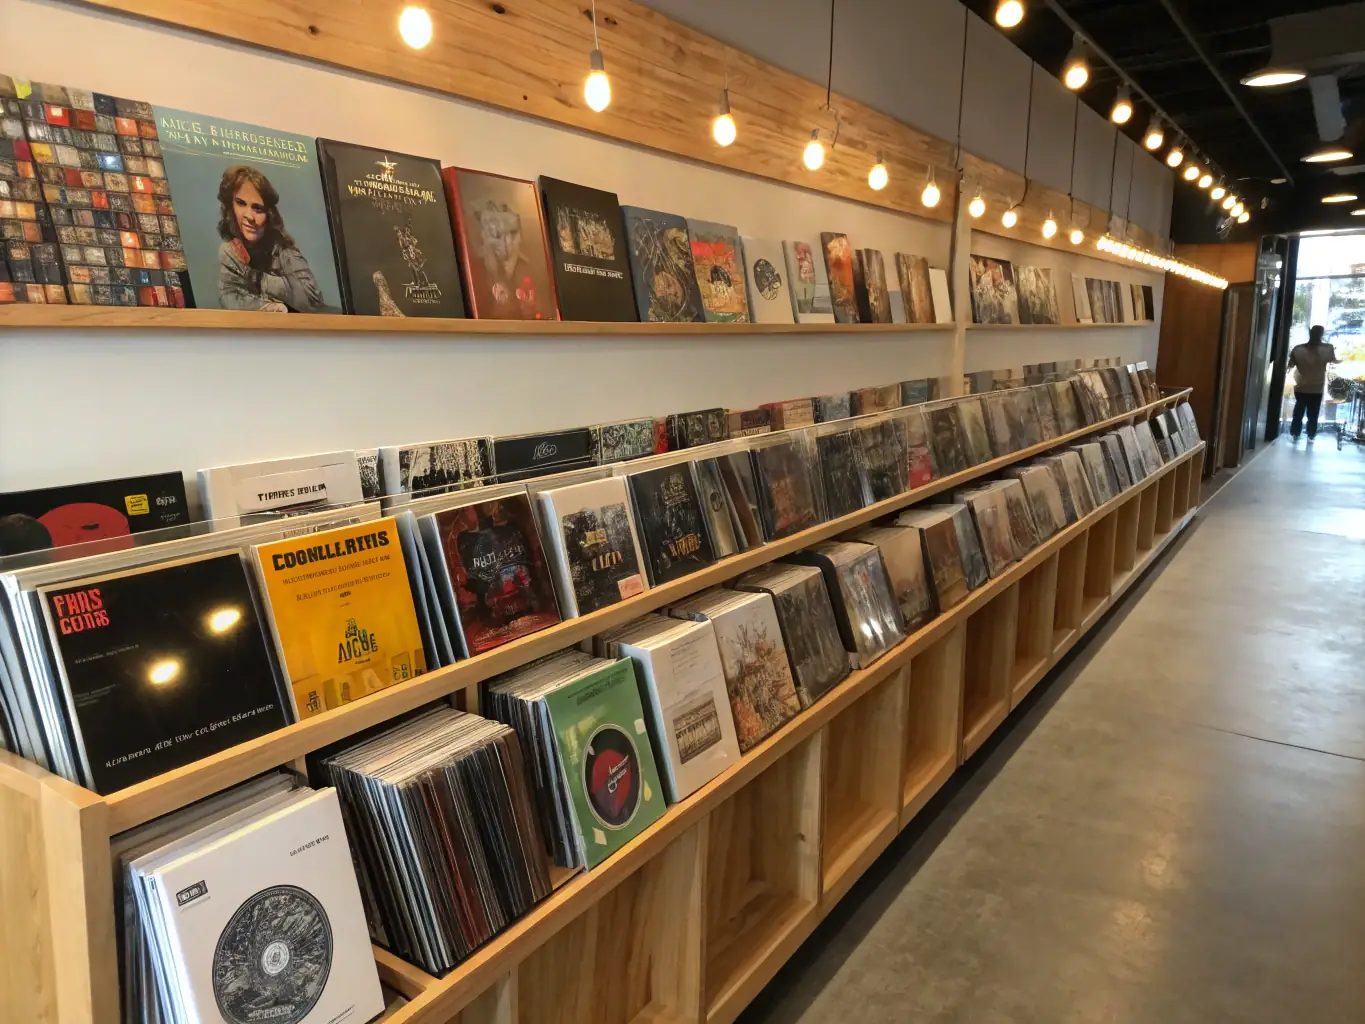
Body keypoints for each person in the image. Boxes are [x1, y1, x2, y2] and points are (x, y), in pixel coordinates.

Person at [216, 165, 325, 312]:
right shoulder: (229, 251)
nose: (249, 216)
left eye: (258, 208)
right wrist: (268, 308)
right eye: (241, 203)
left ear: (269, 215)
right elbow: (229, 296)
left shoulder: (283, 250)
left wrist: (256, 278)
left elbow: (312, 298)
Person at [1286, 325, 1340, 441]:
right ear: (1322, 334)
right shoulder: (1327, 349)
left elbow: (1290, 365)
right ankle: (1310, 433)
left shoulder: (1298, 349)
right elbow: (1335, 361)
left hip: (1302, 385)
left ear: (1310, 332)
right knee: (1313, 412)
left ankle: (1296, 432)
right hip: (1316, 386)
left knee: (1299, 411)